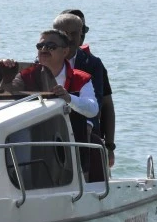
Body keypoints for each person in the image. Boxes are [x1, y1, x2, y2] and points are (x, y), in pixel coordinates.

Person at [9, 28, 98, 178]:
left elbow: (93, 109)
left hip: (73, 149)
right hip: (34, 148)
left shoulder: (81, 78)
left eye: (51, 46)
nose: (44, 49)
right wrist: (6, 74)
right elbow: (5, 97)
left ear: (65, 52)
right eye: (40, 46)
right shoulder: (24, 76)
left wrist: (68, 98)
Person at [59, 9, 116, 168]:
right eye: (66, 32)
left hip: (87, 136)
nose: (72, 37)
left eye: (81, 30)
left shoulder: (93, 64)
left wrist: (109, 146)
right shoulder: (43, 61)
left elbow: (104, 104)